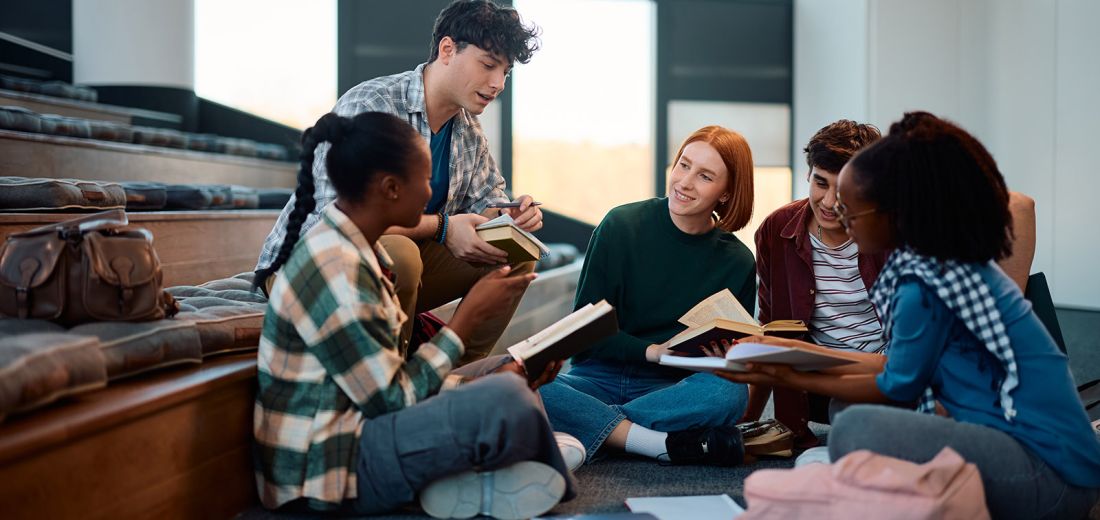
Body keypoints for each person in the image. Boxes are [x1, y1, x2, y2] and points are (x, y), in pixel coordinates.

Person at [718, 112, 1100, 519]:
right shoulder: (922, 267)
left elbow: (895, 384)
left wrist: (783, 373)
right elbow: (898, 373)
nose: (838, 217)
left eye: (852, 210)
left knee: (855, 428)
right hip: (1028, 453)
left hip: (1053, 474)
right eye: (824, 189)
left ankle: (834, 481)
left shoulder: (924, 280)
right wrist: (778, 366)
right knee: (855, 421)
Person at [252, 112, 574, 519]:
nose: (430, 193)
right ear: (390, 189)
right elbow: (391, 401)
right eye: (424, 180)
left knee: (509, 371)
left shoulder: (362, 251)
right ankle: (499, 470)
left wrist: (502, 372)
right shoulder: (333, 265)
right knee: (502, 394)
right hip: (322, 476)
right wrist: (465, 322)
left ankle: (477, 480)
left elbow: (390, 385)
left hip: (363, 433)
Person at [256, 0, 544, 363]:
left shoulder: (469, 130)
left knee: (517, 257)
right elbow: (339, 222)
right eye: (488, 65)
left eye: (506, 71)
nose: (498, 83)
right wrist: (442, 228)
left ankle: (458, 374)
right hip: (318, 263)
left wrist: (510, 216)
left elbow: (485, 203)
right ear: (447, 50)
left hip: (398, 265)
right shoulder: (373, 104)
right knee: (401, 255)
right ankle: (396, 379)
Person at [539, 126, 756, 466]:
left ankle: (592, 428)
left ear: (726, 193)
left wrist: (722, 354)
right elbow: (583, 333)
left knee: (729, 394)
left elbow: (729, 357)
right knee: (528, 384)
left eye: (704, 176)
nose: (684, 182)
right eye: (683, 165)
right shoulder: (621, 225)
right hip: (596, 377)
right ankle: (654, 442)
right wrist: (651, 351)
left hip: (669, 389)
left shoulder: (739, 261)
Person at [748, 120, 884, 447]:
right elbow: (772, 326)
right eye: (821, 183)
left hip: (882, 374)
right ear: (808, 174)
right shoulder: (776, 229)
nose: (828, 202)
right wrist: (748, 421)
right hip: (813, 382)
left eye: (845, 191)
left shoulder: (891, 231)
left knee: (860, 430)